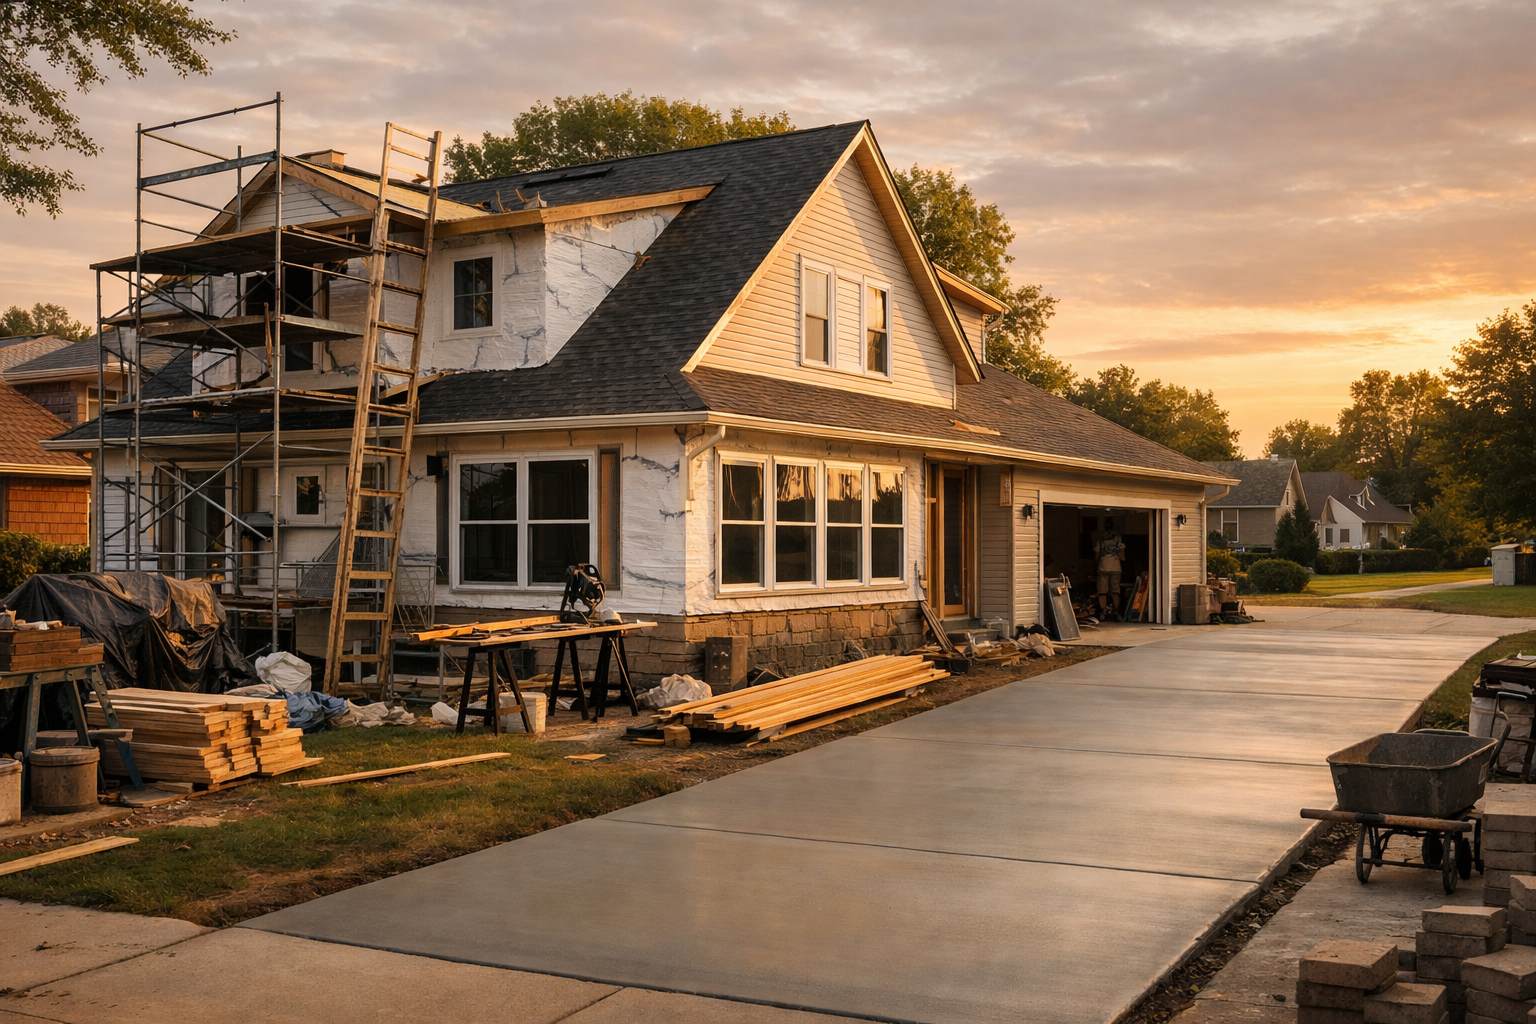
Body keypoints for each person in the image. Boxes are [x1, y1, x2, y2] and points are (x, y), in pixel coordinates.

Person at [1095, 529, 1126, 617]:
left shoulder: (1100, 542)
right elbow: (1122, 558)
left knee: (1102, 591)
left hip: (1103, 568)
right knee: (1115, 590)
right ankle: (1116, 610)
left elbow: (1097, 556)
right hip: (1116, 568)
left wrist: (1096, 565)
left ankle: (1103, 611)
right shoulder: (1119, 543)